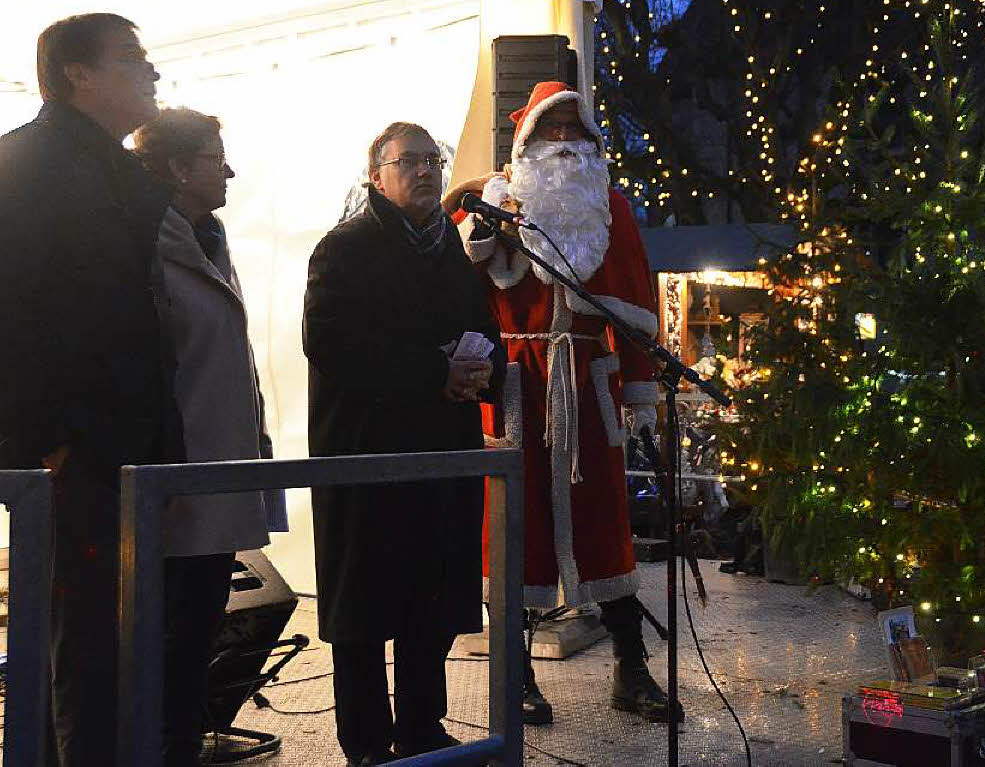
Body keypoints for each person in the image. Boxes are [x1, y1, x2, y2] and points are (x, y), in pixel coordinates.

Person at [456, 81, 679, 725]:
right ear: (526, 142)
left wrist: (639, 390)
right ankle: (516, 675)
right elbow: (458, 287)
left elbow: (635, 306)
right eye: (551, 132)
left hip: (588, 384)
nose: (565, 144)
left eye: (576, 133)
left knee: (606, 526)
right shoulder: (496, 208)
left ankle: (631, 671)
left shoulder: (611, 209)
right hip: (515, 389)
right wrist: (476, 218)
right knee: (513, 530)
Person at [0, 14, 178, 766]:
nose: (152, 71)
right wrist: (45, 442)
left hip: (126, 448)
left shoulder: (121, 169)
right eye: (132, 58)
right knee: (82, 651)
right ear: (76, 73)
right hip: (73, 451)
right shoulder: (26, 164)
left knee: (110, 646)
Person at [303, 122, 506, 767]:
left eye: (432, 160)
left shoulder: (453, 248)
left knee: (432, 600)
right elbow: (329, 342)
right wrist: (433, 372)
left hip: (442, 450)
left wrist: (482, 368)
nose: (424, 171)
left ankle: (422, 727)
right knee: (362, 612)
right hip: (366, 452)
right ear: (376, 176)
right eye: (408, 161)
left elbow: (484, 331)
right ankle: (364, 741)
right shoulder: (344, 247)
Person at [133, 107, 288, 766]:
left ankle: (178, 745)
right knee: (168, 632)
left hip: (218, 472)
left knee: (196, 628)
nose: (227, 169)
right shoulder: (144, 247)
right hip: (176, 481)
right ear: (174, 167)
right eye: (212, 156)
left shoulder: (211, 239)